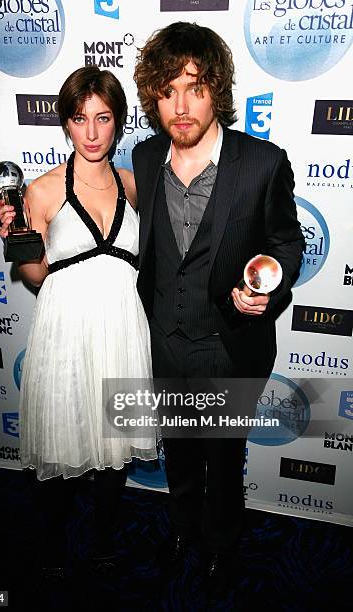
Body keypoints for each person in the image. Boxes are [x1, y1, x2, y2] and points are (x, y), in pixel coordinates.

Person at [133, 22, 305, 599]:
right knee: (177, 449)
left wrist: (267, 289)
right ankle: (181, 530)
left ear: (218, 92)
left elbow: (286, 244)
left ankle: (222, 547)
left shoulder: (261, 163)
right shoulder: (146, 152)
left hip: (227, 343)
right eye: (167, 90)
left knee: (222, 459)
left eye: (196, 87)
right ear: (154, 95)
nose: (180, 106)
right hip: (164, 337)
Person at [0, 66, 158, 573]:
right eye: (79, 118)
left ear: (118, 123)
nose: (91, 132)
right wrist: (14, 240)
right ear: (65, 123)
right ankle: (51, 546)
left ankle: (103, 540)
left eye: (103, 118)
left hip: (122, 326)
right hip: (65, 328)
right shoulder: (41, 191)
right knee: (64, 439)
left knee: (117, 444)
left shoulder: (135, 186)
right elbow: (37, 274)